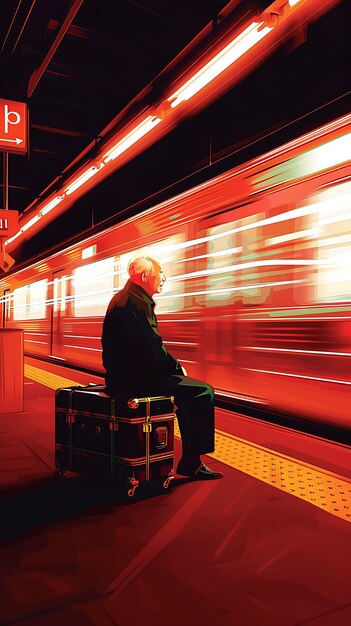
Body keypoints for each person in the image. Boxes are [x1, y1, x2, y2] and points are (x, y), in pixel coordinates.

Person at [101, 255, 223, 480]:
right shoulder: (137, 303)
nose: (164, 278)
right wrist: (177, 368)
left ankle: (191, 460)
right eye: (160, 273)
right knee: (201, 392)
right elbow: (153, 348)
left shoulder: (123, 298)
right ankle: (191, 462)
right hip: (136, 380)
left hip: (122, 377)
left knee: (184, 391)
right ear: (145, 276)